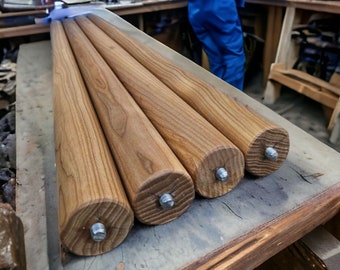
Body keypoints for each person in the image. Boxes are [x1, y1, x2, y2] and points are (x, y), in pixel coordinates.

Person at [188, 0, 246, 90]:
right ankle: (231, 101)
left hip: (196, 10)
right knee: (234, 56)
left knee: (216, 59)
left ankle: (216, 98)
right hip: (220, 8)